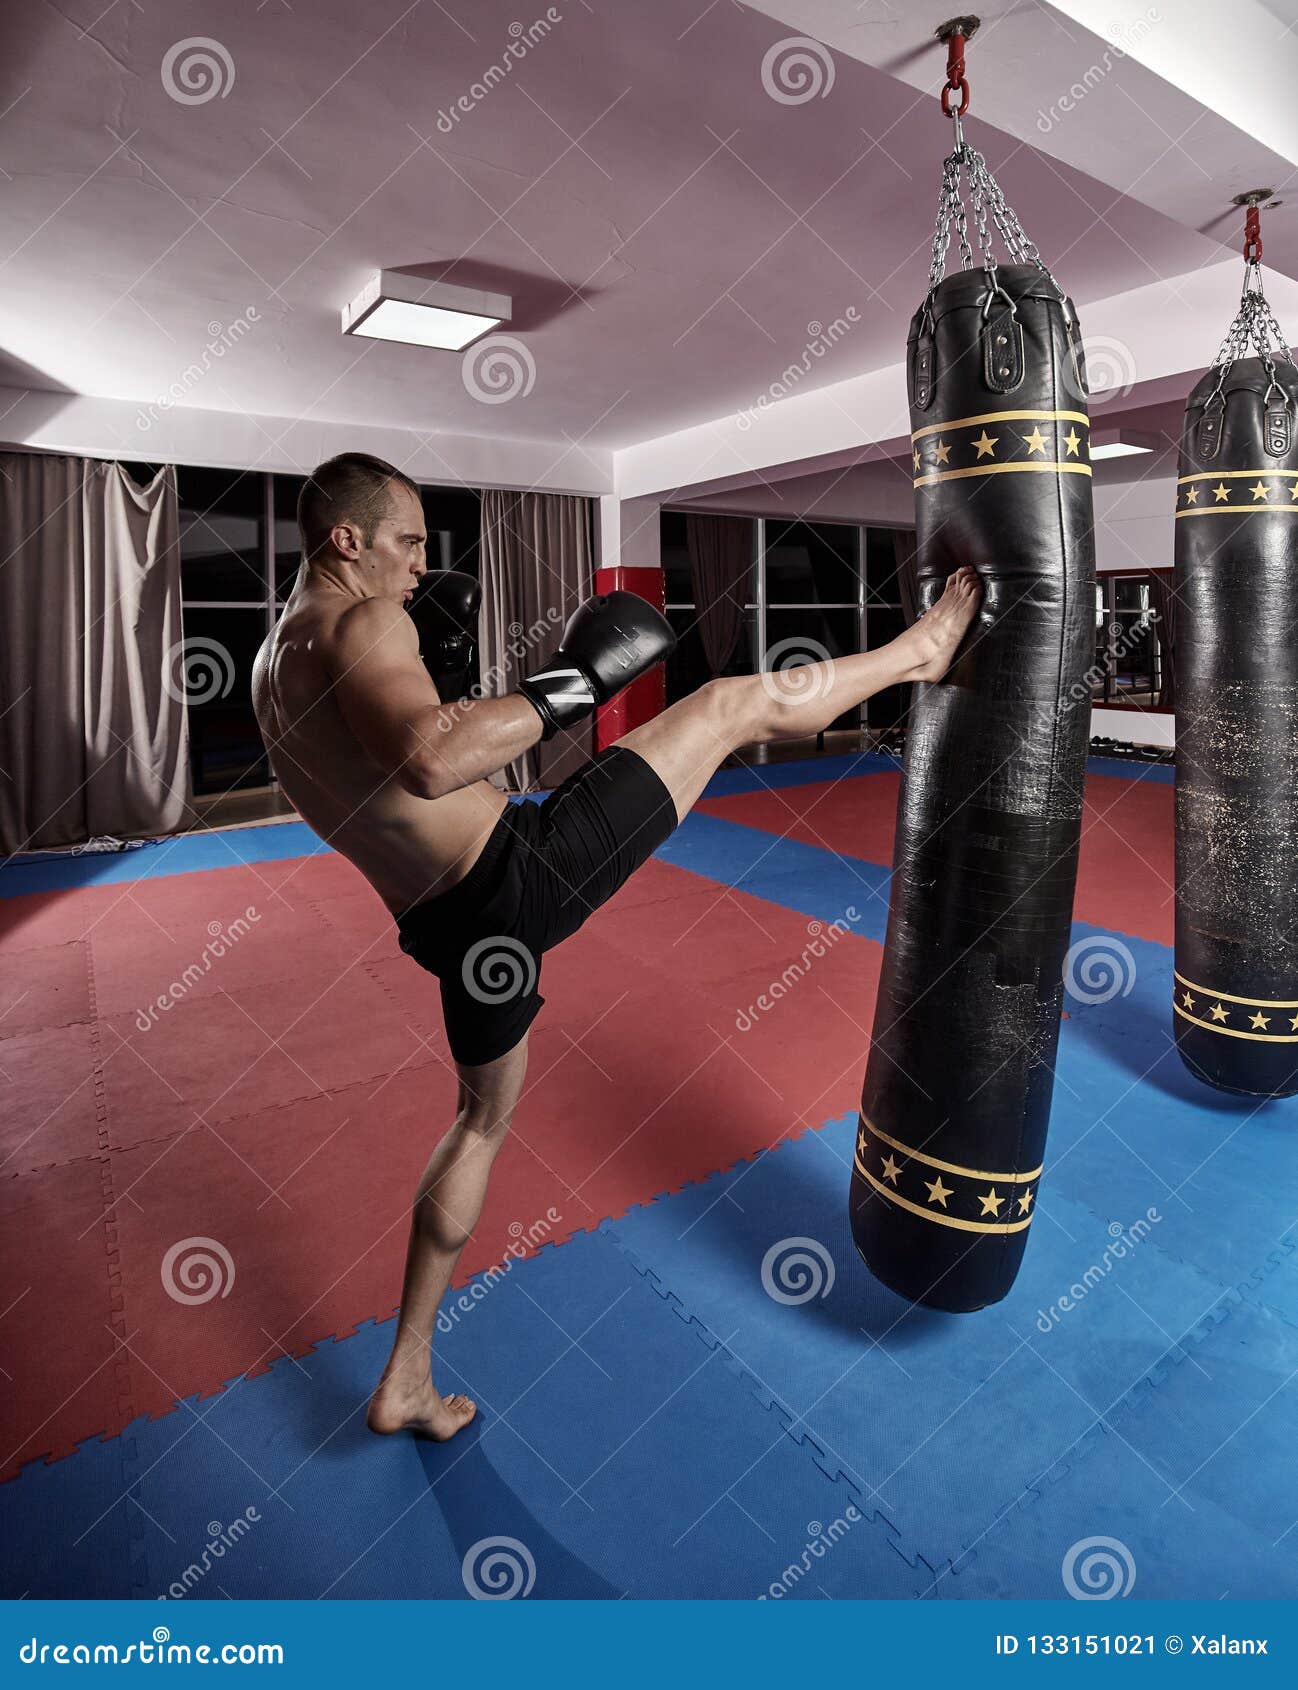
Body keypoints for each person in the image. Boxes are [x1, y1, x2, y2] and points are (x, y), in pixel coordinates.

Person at [252, 452, 981, 1443]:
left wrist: (472, 704)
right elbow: (428, 762)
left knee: (476, 1121)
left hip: (449, 929)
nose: (422, 562)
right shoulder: (361, 620)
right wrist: (576, 679)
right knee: (727, 704)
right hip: (522, 869)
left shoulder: (271, 660)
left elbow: (389, 772)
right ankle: (919, 655)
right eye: (408, 540)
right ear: (346, 539)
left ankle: (406, 1376)